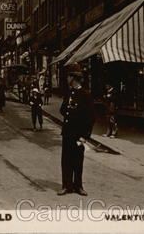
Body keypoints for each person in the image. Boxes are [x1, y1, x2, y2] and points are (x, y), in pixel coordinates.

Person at [58, 64, 95, 196]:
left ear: (73, 78)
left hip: (78, 135)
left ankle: (78, 186)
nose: (67, 78)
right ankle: (66, 186)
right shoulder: (69, 93)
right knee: (66, 160)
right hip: (67, 133)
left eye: (69, 76)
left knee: (78, 160)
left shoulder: (85, 95)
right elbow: (62, 110)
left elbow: (90, 118)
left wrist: (85, 136)